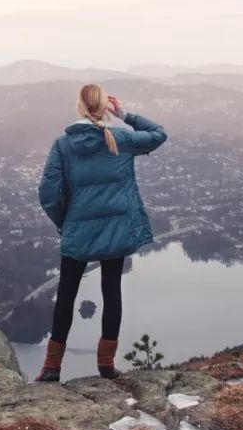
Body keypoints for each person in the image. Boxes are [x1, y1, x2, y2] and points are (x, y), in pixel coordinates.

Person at [35, 83, 168, 382]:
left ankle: (52, 367)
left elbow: (47, 192)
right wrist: (124, 114)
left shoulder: (63, 144)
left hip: (78, 230)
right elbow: (159, 134)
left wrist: (64, 221)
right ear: (103, 107)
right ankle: (106, 364)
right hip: (116, 230)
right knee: (112, 291)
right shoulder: (120, 137)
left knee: (66, 294)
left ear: (80, 107)